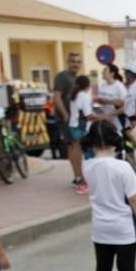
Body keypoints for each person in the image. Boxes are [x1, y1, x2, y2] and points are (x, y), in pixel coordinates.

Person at [82, 120, 136, 271]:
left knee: (103, 268)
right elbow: (134, 198)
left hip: (100, 225)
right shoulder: (122, 167)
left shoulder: (87, 166)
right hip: (123, 225)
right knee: (127, 269)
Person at [53, 52, 86, 189]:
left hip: (75, 118)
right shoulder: (62, 77)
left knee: (73, 145)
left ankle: (77, 176)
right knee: (75, 145)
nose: (75, 64)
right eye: (73, 61)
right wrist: (65, 115)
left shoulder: (76, 79)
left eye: (78, 62)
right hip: (67, 118)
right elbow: (57, 97)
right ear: (68, 62)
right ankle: (79, 177)